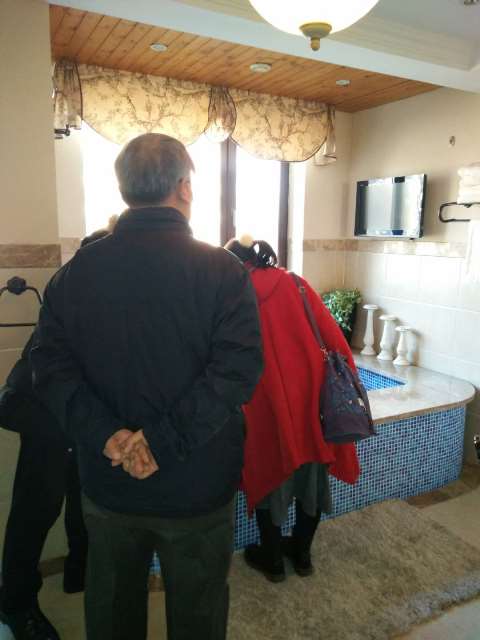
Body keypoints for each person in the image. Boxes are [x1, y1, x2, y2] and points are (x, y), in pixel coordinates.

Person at [31, 133, 263, 640]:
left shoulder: (76, 273)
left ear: (124, 190)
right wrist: (160, 442)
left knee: (112, 615)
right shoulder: (223, 271)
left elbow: (47, 366)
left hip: (110, 481)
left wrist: (106, 435)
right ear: (185, 188)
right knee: (198, 618)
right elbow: (237, 371)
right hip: (197, 486)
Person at [225, 236, 360, 583]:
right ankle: (302, 555)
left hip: (261, 405)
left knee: (267, 473)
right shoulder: (295, 284)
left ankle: (272, 560)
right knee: (312, 479)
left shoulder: (231, 295)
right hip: (312, 402)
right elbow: (335, 340)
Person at [0, 229, 111, 640]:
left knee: (82, 496)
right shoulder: (78, 297)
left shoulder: (88, 291)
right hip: (43, 415)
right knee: (35, 511)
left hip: (67, 417)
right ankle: (16, 606)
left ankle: (78, 571)